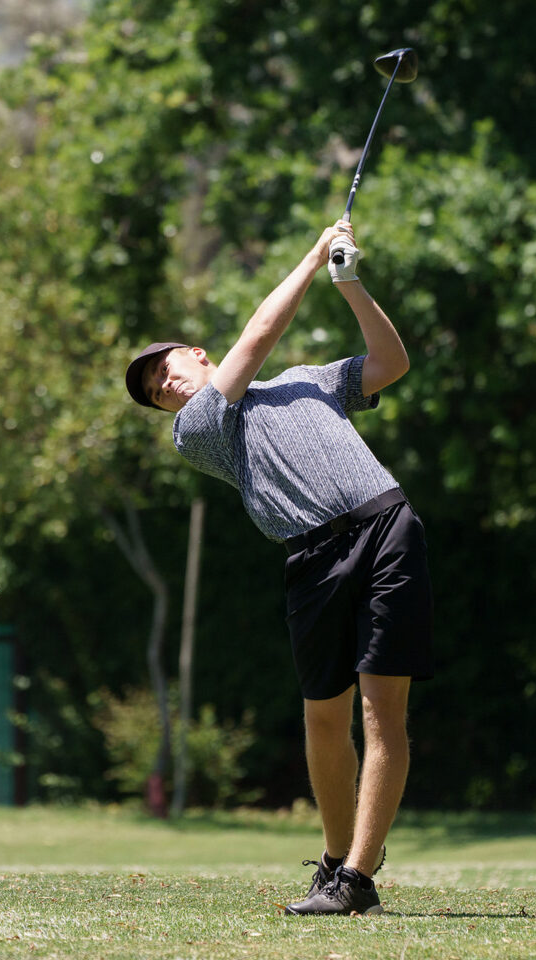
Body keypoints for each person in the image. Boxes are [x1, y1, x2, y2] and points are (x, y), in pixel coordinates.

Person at [124, 220, 434, 917]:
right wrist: (315, 255)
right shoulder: (198, 429)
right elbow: (260, 334)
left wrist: (349, 283)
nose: (165, 386)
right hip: (311, 558)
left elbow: (390, 363)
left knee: (381, 709)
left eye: (165, 369)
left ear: (196, 354)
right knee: (323, 715)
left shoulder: (307, 381)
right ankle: (335, 858)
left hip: (386, 526)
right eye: (155, 391)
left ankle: (357, 879)